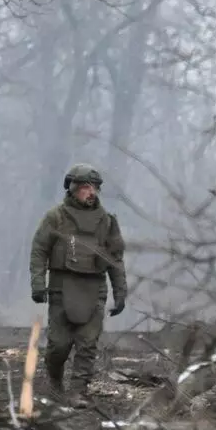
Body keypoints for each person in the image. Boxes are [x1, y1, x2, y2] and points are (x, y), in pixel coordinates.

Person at [27, 163, 128, 400]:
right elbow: (39, 250)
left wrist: (120, 293)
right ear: (72, 189)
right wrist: (38, 284)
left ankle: (78, 392)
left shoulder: (107, 222)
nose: (91, 192)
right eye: (85, 187)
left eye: (94, 188)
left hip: (94, 288)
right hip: (62, 287)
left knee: (87, 344)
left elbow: (116, 260)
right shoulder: (56, 218)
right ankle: (54, 379)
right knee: (59, 345)